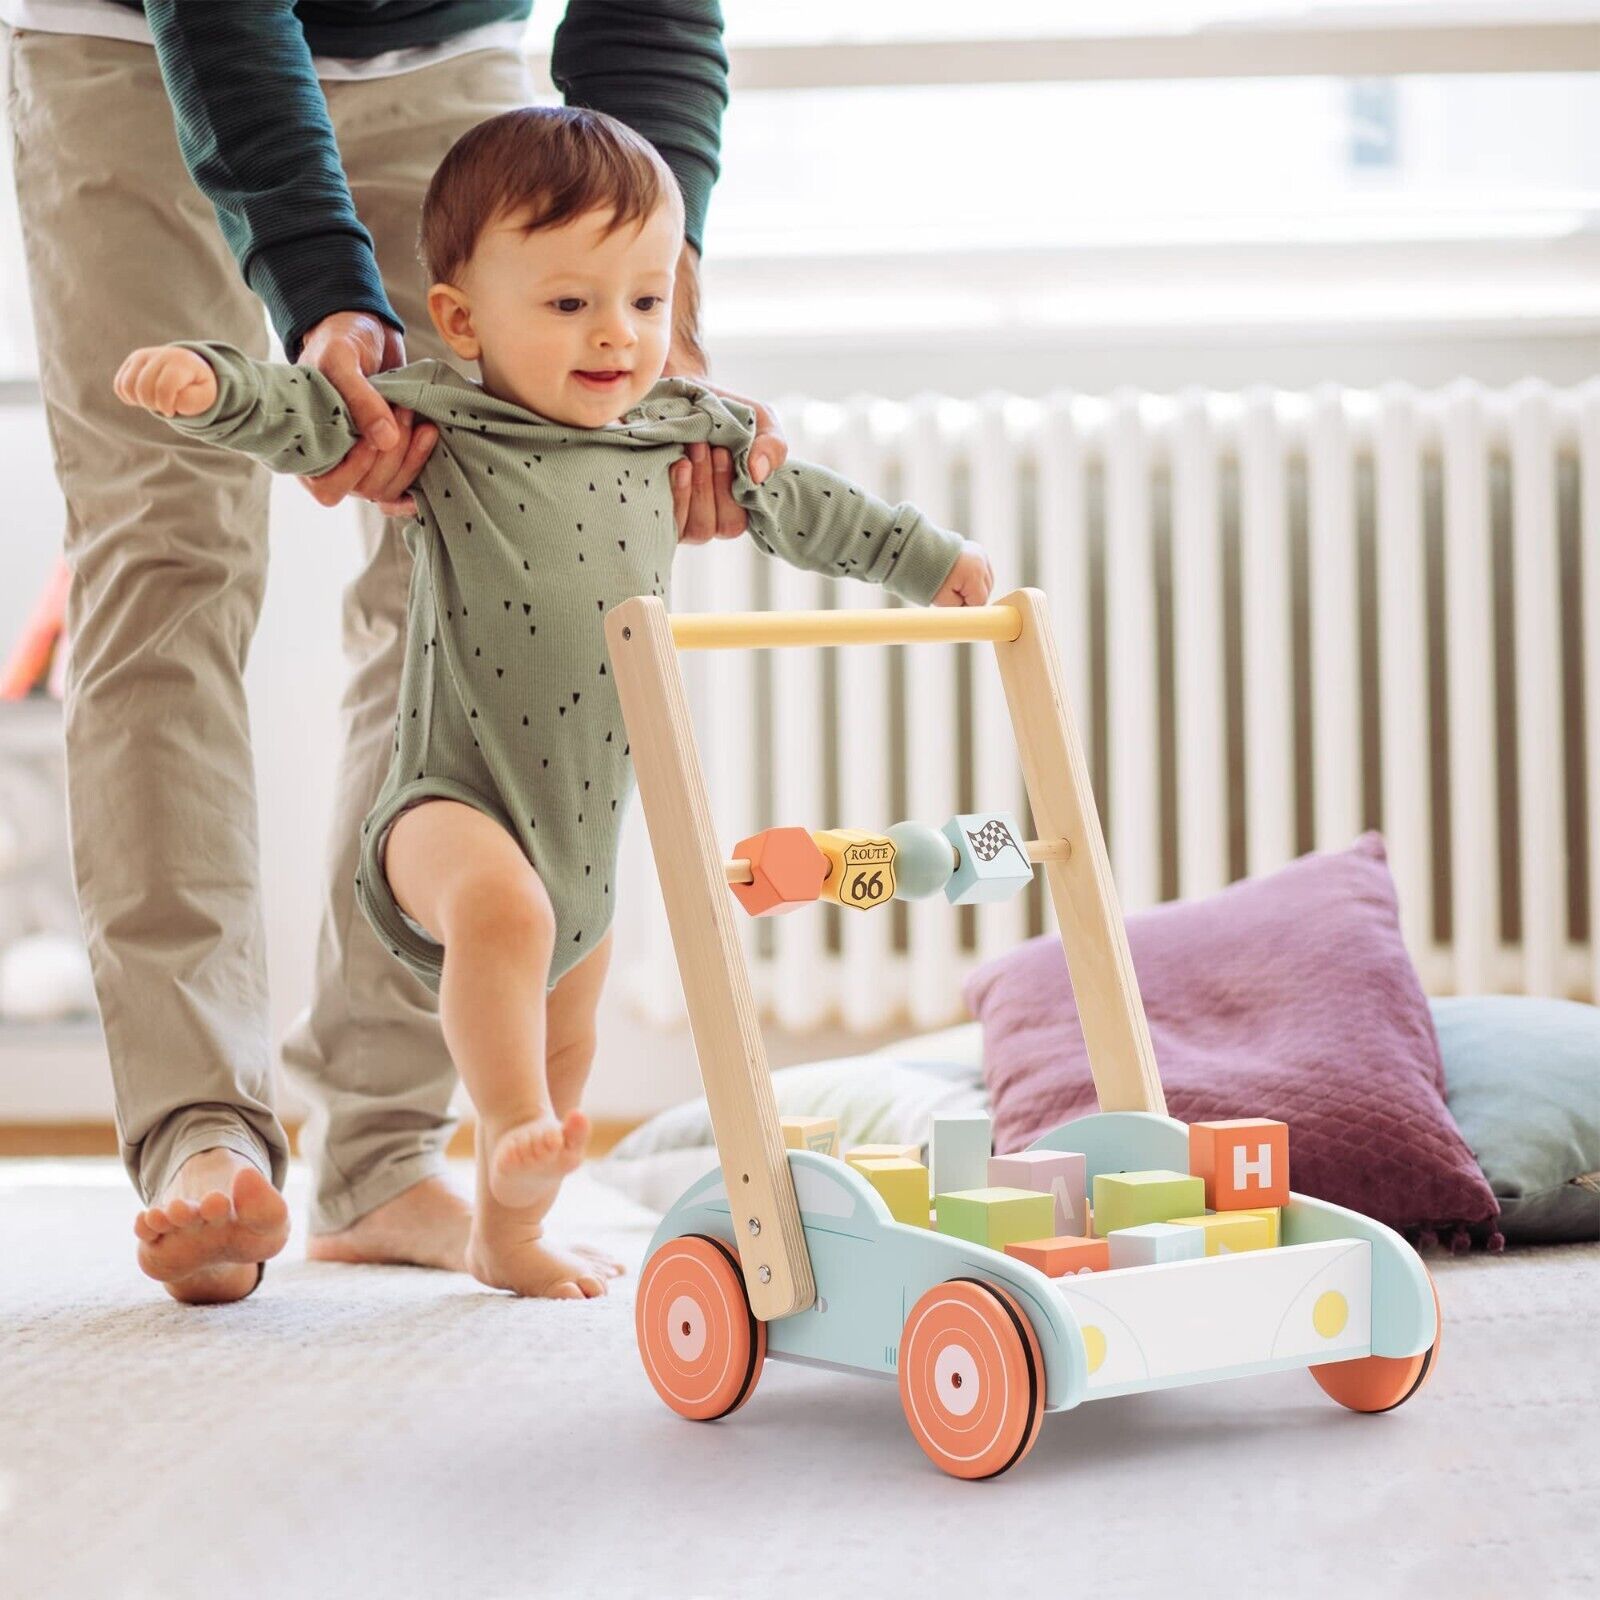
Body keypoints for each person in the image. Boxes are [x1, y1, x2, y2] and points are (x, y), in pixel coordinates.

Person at [116, 104, 995, 1297]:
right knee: (507, 921)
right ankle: (509, 1124)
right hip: (445, 798)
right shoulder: (446, 420)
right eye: (571, 303)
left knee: (569, 1028)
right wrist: (208, 388)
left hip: (585, 825)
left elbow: (813, 511)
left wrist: (925, 560)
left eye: (644, 300)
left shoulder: (683, 432)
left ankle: (508, 1227)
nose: (616, 336)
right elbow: (303, 414)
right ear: (462, 319)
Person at [5, 0, 786, 1304]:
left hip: (443, 63)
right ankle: (202, 1131)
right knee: (166, 558)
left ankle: (381, 1148)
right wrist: (322, 288)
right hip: (125, 48)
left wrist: (659, 289)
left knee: (473, 554)